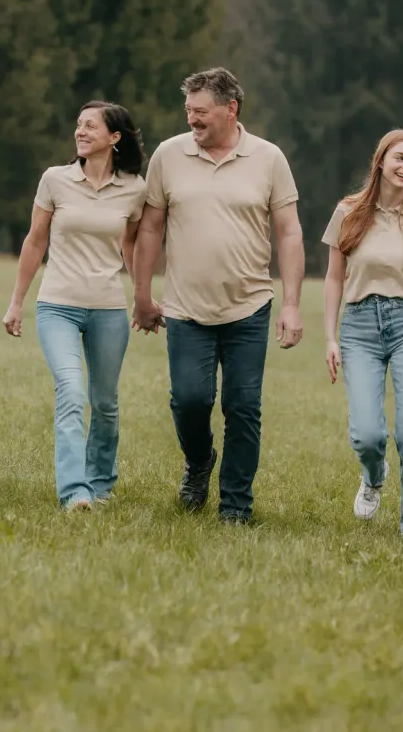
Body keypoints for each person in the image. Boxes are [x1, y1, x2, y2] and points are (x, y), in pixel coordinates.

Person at [131, 67, 305, 525]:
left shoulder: (268, 159)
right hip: (185, 308)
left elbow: (288, 233)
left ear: (231, 109)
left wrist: (290, 303)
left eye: (200, 112)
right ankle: (199, 461)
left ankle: (235, 506)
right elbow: (149, 227)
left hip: (249, 306)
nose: (192, 119)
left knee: (243, 408)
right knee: (190, 400)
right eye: (188, 110)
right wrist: (142, 295)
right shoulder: (169, 156)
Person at [2, 101, 147, 511]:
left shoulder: (135, 188)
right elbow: (35, 241)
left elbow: (132, 245)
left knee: (104, 401)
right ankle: (73, 491)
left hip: (107, 309)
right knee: (70, 391)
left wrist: (142, 298)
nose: (80, 132)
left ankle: (100, 483)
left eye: (90, 126)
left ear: (114, 138)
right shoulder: (55, 180)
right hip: (57, 305)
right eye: (78, 125)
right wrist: (16, 302)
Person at [322, 130, 403, 545]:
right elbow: (334, 277)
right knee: (368, 435)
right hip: (358, 326)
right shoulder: (349, 212)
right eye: (399, 158)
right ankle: (373, 478)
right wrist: (330, 337)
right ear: (380, 161)